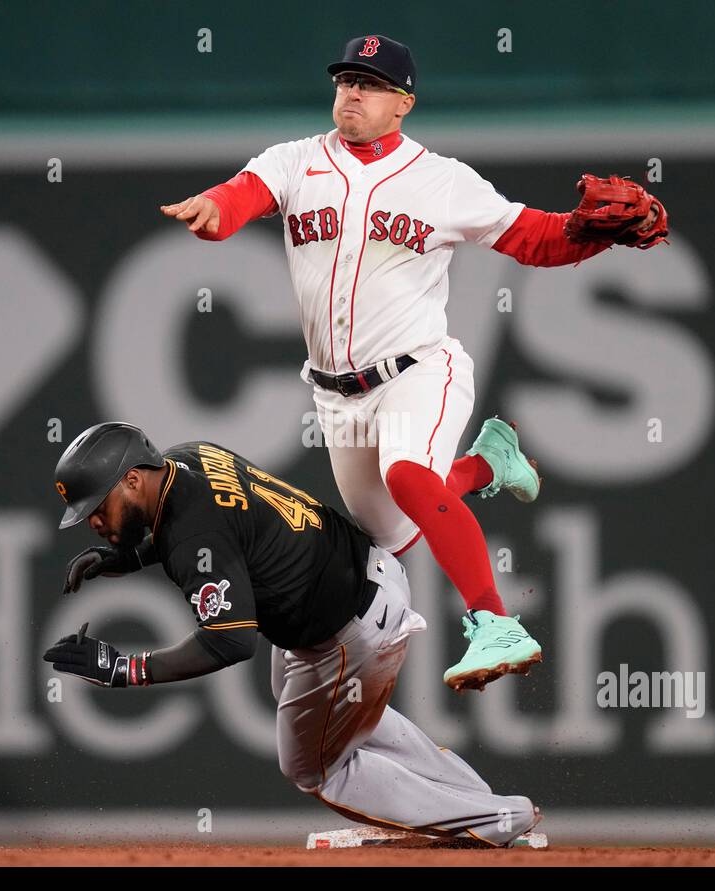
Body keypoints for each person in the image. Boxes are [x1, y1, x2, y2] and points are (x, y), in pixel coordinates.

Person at [159, 33, 667, 690]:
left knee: (406, 474)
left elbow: (535, 239)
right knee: (391, 540)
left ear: (404, 103)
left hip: (418, 370)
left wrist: (584, 233)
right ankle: (490, 463)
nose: (352, 93)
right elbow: (241, 195)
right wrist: (214, 211)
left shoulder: (440, 180)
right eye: (346, 80)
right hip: (337, 400)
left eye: (369, 84)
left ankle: (494, 623)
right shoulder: (296, 161)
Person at [43, 422, 542, 846]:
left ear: (133, 480)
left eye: (98, 506)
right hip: (363, 579)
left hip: (349, 628)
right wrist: (128, 556)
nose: (92, 521)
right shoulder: (187, 458)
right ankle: (484, 804)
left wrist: (124, 670)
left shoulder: (193, 534)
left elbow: (231, 640)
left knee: (314, 768)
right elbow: (224, 529)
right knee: (309, 703)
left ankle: (491, 821)